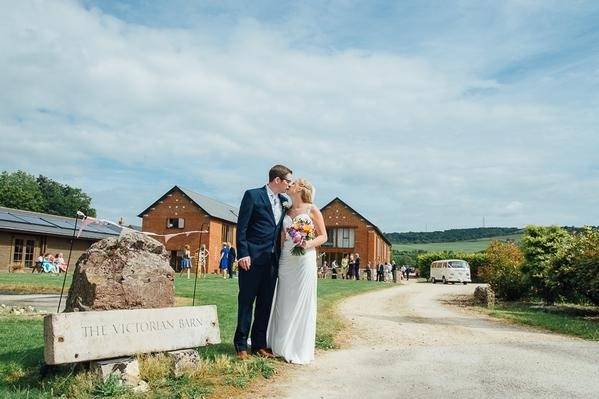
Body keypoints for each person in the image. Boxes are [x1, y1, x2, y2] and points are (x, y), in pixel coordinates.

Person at [234, 164, 293, 360]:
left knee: (265, 304)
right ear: (277, 180)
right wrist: (243, 254)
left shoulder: (284, 201)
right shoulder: (252, 195)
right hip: (251, 259)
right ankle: (241, 345)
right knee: (246, 302)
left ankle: (259, 344)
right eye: (288, 181)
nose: (289, 185)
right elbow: (242, 227)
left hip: (272, 261)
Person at [267, 178, 327, 364]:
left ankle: (296, 347)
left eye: (293, 183)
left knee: (300, 300)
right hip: (286, 259)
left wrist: (307, 244)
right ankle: (280, 344)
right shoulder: (286, 210)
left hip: (304, 259)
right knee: (284, 300)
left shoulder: (312, 209)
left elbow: (323, 236)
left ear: (301, 188)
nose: (289, 185)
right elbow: (282, 236)